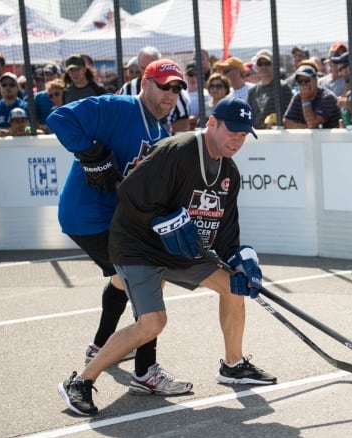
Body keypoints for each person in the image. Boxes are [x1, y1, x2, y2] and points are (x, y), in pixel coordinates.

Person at [57, 95, 276, 417]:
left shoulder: (230, 173)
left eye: (244, 135)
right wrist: (164, 221)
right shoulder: (179, 150)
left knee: (234, 286)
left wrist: (246, 262)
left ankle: (233, 365)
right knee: (152, 323)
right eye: (233, 131)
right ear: (212, 123)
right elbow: (129, 192)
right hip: (138, 246)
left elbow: (227, 238)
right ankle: (80, 382)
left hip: (180, 250)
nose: (237, 140)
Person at [48, 60, 194, 411]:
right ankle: (141, 371)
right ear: (144, 83)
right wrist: (91, 154)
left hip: (114, 220)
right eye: (164, 86)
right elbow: (59, 118)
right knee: (150, 276)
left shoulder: (161, 135)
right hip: (87, 217)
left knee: (123, 279)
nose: (170, 94)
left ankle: (102, 346)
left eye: (177, 89)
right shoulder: (117, 106)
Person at [118, 46, 191, 134]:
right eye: (143, 68)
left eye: (151, 67)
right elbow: (120, 118)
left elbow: (185, 122)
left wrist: (166, 128)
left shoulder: (176, 89)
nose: (146, 71)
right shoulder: (127, 89)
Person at [283, 65, 340, 129]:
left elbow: (312, 124)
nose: (303, 84)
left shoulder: (327, 97)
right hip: (311, 138)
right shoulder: (298, 97)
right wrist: (306, 129)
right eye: (300, 81)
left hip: (333, 137)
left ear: (315, 80)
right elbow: (286, 122)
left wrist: (305, 99)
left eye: (306, 80)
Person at [247, 52, 292, 130]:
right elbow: (249, 115)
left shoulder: (283, 87)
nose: (264, 67)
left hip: (277, 134)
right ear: (256, 67)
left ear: (274, 65)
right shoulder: (252, 91)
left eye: (267, 63)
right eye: (260, 64)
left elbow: (289, 113)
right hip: (257, 135)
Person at [184, 61, 210, 128]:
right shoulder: (181, 95)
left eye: (196, 74)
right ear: (185, 75)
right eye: (190, 74)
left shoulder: (206, 95)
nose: (193, 77)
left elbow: (207, 116)